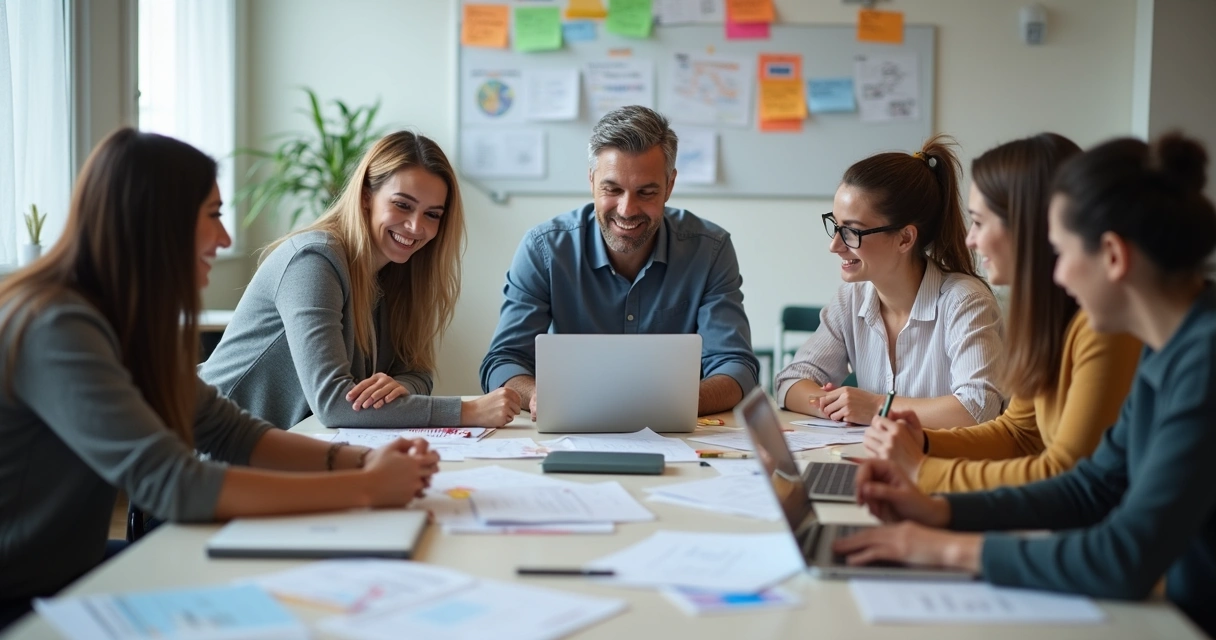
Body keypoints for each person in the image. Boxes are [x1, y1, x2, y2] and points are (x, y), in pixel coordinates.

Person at [0, 129, 440, 630]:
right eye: (213, 216)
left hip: (68, 572)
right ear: (156, 221)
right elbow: (175, 484)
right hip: (21, 593)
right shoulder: (55, 324)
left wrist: (363, 462)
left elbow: (228, 430)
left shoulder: (127, 321)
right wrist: (363, 488)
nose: (226, 239)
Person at [833, 133, 1216, 638]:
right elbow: (1092, 486)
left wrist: (940, 546)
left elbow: (1125, 554)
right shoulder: (1166, 349)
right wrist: (940, 508)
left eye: (1058, 253)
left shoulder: (1200, 360)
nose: (1055, 273)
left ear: (1113, 257)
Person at [862, 134, 1141, 491]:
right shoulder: (1047, 317)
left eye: (979, 222)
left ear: (1026, 227)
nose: (969, 240)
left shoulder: (1102, 326)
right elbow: (1020, 433)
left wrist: (922, 471)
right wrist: (925, 443)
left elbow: (1066, 472)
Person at [200, 131, 520, 429]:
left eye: (432, 214)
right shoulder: (313, 261)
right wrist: (469, 411)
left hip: (284, 445)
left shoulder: (395, 272)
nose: (415, 226)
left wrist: (399, 386)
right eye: (402, 205)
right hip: (206, 447)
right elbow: (334, 405)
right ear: (366, 196)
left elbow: (418, 373)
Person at [479, 105, 759, 419]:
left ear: (669, 185)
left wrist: (662, 405)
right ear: (591, 181)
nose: (627, 210)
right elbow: (502, 362)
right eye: (612, 189)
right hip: (571, 427)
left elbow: (737, 368)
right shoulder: (544, 249)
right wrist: (538, 396)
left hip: (676, 436)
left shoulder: (710, 250)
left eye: (646, 192)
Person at [774, 136, 1005, 428]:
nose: (835, 245)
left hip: (950, 469)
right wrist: (840, 407)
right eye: (836, 226)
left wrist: (876, 408)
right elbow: (790, 382)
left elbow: (977, 409)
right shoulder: (852, 297)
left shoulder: (965, 301)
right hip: (879, 461)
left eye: (852, 231)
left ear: (905, 238)